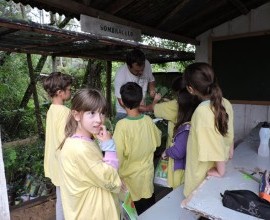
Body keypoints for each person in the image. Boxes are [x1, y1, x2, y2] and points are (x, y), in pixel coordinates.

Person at [58, 88, 122, 220]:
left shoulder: (81, 141)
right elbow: (109, 178)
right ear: (76, 115)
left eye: (102, 113)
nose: (99, 120)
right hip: (93, 213)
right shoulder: (80, 149)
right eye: (92, 113)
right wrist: (109, 146)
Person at [182, 62, 234, 198]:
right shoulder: (225, 102)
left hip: (203, 174)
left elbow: (214, 142)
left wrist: (220, 171)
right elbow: (229, 133)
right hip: (220, 164)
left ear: (190, 89)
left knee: (197, 204)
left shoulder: (203, 111)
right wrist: (230, 150)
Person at [113, 82, 161, 215]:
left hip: (129, 184)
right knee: (149, 212)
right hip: (146, 179)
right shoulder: (147, 121)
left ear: (122, 101)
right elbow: (157, 141)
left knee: (132, 215)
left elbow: (117, 156)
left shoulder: (121, 126)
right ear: (141, 100)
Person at [42, 71, 73, 220]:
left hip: (55, 162)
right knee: (68, 201)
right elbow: (65, 140)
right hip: (64, 164)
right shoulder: (66, 112)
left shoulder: (51, 110)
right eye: (69, 89)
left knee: (61, 198)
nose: (71, 91)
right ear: (60, 93)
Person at [160, 86, 199, 189]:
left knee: (178, 193)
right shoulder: (193, 123)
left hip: (180, 171)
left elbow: (178, 152)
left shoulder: (185, 129)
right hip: (188, 169)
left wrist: (167, 152)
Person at [114, 48, 156, 120]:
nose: (141, 73)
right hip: (124, 112)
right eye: (137, 71)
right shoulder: (120, 75)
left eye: (142, 69)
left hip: (142, 110)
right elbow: (122, 102)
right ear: (128, 66)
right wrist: (146, 108)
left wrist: (152, 90)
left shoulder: (147, 64)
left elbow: (151, 79)